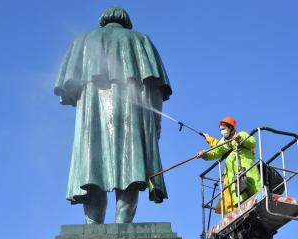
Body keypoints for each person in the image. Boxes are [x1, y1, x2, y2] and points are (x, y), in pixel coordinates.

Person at [54, 6, 172, 224]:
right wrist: (156, 124)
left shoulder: (84, 41)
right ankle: (122, 224)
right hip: (132, 118)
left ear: (103, 21)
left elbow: (70, 89)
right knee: (131, 168)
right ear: (126, 22)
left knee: (92, 171)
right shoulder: (140, 41)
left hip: (93, 120)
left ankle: (91, 229)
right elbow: (156, 91)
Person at [197, 117, 261, 210]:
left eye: (223, 129)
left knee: (253, 184)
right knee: (237, 189)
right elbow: (215, 152)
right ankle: (240, 206)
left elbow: (252, 142)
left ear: (231, 128)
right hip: (232, 171)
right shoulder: (223, 143)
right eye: (221, 129)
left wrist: (240, 139)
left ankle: (259, 199)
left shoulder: (241, 134)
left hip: (246, 165)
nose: (222, 131)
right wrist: (204, 154)